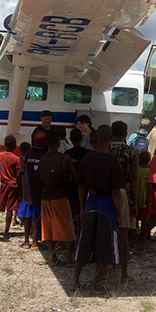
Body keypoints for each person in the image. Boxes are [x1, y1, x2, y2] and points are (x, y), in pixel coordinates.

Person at [72, 125, 124, 295]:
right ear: (110, 138)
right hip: (107, 205)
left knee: (84, 243)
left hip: (90, 203)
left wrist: (81, 207)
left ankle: (74, 281)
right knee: (102, 246)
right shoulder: (112, 162)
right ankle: (96, 285)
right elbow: (116, 191)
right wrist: (118, 213)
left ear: (96, 139)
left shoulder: (87, 158)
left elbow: (81, 187)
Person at [38, 129, 77, 266]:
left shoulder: (42, 159)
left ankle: (53, 258)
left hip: (45, 197)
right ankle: (69, 259)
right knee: (68, 228)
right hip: (60, 197)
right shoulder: (64, 158)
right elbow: (76, 176)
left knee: (48, 229)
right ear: (57, 142)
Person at [108, 120, 139, 283]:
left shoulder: (105, 149)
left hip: (105, 193)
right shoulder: (132, 152)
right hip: (125, 194)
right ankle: (123, 268)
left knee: (107, 230)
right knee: (124, 232)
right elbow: (134, 178)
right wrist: (135, 201)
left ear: (112, 134)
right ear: (126, 134)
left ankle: (107, 266)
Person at [0, 135, 21, 241]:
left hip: (3, 184)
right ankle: (6, 232)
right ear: (15, 145)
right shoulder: (16, 158)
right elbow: (17, 175)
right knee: (10, 209)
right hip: (13, 185)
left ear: (4, 145)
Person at [18, 133, 47, 249]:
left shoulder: (27, 154)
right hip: (39, 191)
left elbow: (22, 173)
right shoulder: (45, 156)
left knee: (26, 217)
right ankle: (35, 242)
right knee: (36, 217)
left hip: (27, 190)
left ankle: (26, 241)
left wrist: (23, 189)